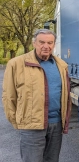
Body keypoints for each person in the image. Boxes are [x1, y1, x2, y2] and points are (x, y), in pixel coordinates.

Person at [2, 29, 71, 162]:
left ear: (54, 44)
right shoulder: (16, 64)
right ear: (34, 43)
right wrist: (17, 122)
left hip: (56, 125)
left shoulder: (61, 65)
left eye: (50, 42)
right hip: (31, 126)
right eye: (42, 42)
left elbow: (65, 96)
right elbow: (8, 96)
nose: (46, 46)